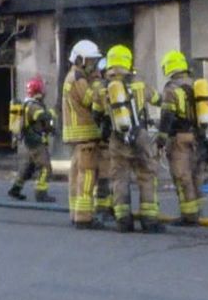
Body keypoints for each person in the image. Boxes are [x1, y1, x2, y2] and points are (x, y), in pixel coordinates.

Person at [104, 45, 164, 233]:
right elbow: (158, 99)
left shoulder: (106, 88)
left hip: (117, 138)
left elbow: (98, 112)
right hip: (141, 136)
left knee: (119, 177)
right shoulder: (139, 84)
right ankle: (149, 220)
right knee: (147, 175)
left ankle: (123, 220)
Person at [62, 40, 105, 229]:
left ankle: (76, 213)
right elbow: (89, 99)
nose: (93, 65)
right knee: (87, 176)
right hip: (86, 135)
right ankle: (84, 217)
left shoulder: (72, 75)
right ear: (80, 59)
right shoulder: (78, 77)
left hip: (78, 137)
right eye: (91, 61)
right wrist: (97, 83)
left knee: (76, 176)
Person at [159, 50, 204, 225]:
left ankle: (189, 216)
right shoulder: (196, 85)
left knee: (181, 177)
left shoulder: (171, 88)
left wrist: (162, 137)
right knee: (195, 175)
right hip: (196, 137)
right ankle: (197, 212)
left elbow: (167, 115)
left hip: (178, 137)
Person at [8, 77, 56, 203]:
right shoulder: (34, 106)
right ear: (38, 90)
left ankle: (15, 189)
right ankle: (41, 193)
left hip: (30, 142)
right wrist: (52, 113)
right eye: (43, 88)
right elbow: (42, 116)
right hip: (36, 143)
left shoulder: (27, 104)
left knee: (28, 168)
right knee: (46, 168)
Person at [92, 58, 115, 221]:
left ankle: (103, 207)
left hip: (103, 138)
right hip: (116, 139)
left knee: (104, 175)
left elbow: (95, 114)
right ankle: (107, 207)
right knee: (111, 175)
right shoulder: (120, 86)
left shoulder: (99, 88)